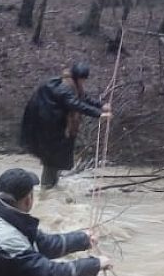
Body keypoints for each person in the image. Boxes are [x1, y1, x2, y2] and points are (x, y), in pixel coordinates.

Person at [19, 61, 112, 189]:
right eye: (82, 79)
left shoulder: (72, 85)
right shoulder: (64, 88)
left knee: (56, 161)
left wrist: (101, 106)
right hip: (50, 129)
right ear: (76, 77)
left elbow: (83, 98)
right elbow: (75, 104)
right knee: (51, 162)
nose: (83, 82)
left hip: (58, 128)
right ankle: (46, 190)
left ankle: (52, 188)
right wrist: (98, 114)